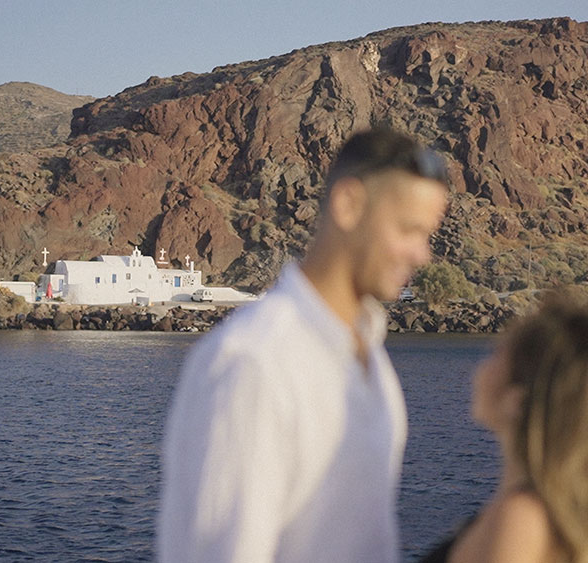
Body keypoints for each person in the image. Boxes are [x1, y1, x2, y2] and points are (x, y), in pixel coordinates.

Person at [157, 128, 450, 563]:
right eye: (409, 229)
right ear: (349, 204)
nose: (423, 254)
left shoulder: (372, 357)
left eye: (428, 234)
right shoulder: (254, 363)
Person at [419, 292, 588, 563]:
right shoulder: (561, 516)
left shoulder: (520, 522)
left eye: (497, 353)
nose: (482, 365)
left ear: (517, 401)